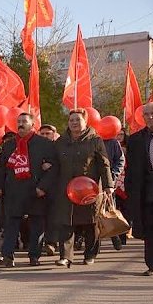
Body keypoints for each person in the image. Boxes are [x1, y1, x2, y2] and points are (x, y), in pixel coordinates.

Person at [0, 113, 58, 267]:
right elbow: (1, 168)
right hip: (13, 191)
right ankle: (7, 256)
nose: (21, 124)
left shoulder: (44, 144)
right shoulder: (9, 145)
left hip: (35, 191)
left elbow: (53, 168)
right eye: (19, 121)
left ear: (32, 124)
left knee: (36, 225)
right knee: (11, 224)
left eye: (24, 121)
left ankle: (34, 256)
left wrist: (43, 187)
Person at [53, 108, 114, 268]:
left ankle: (90, 254)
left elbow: (104, 164)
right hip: (67, 189)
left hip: (89, 189)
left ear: (85, 122)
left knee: (91, 223)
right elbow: (55, 164)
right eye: (71, 120)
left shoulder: (95, 140)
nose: (74, 123)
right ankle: (65, 256)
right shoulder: (61, 142)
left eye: (77, 120)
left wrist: (108, 186)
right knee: (66, 222)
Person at [125, 102, 153, 276]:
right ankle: (152, 264)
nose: (150, 117)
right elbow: (131, 169)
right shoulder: (136, 140)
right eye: (147, 114)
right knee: (150, 228)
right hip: (147, 193)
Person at [38, 124, 59, 256]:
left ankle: (51, 243)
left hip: (55, 188)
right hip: (38, 188)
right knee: (39, 218)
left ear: (54, 134)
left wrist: (52, 165)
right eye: (43, 134)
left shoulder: (59, 147)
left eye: (48, 133)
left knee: (53, 217)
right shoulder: (36, 147)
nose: (45, 136)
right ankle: (37, 244)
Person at [103, 132, 126, 250]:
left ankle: (115, 235)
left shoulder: (113, 143)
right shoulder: (88, 141)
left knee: (110, 209)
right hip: (90, 182)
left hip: (108, 182)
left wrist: (113, 176)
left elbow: (120, 161)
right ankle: (83, 240)